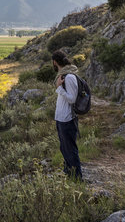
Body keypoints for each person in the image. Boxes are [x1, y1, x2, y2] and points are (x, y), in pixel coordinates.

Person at [52, 50, 83, 180]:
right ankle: (68, 174)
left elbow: (72, 99)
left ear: (54, 62)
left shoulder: (69, 77)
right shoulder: (63, 75)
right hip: (61, 118)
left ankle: (77, 178)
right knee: (64, 149)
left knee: (70, 150)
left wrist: (59, 87)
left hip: (67, 119)